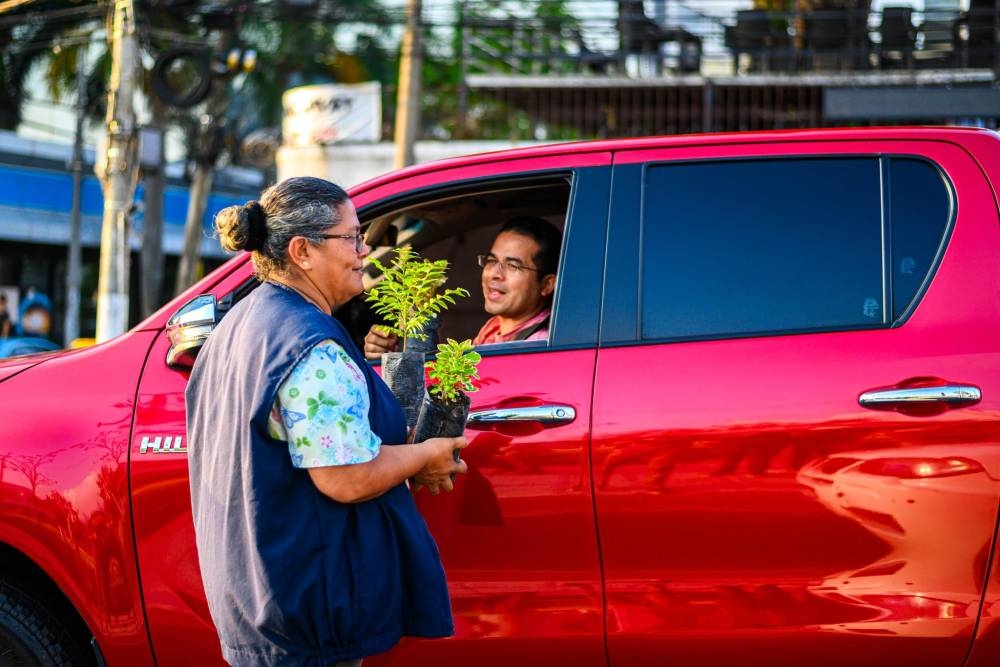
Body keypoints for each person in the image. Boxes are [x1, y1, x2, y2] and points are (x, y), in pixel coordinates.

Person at [185, 176, 467, 667]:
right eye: (352, 238)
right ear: (302, 251)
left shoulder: (241, 322)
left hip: (259, 599)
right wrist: (426, 455)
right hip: (307, 611)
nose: (364, 252)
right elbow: (346, 476)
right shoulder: (309, 346)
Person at [364, 216, 561, 357]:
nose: (494, 274)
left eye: (513, 266)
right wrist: (394, 354)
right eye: (491, 261)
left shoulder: (536, 347)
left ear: (546, 285)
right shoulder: (494, 331)